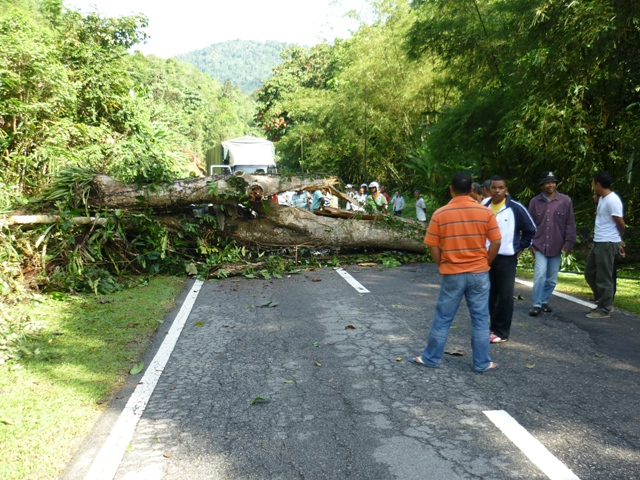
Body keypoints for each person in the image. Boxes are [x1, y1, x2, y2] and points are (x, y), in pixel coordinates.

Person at [410, 172, 501, 372]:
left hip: (453, 273)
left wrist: (442, 263)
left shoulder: (440, 214)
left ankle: (430, 358)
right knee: (479, 319)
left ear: (451, 189)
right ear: (471, 190)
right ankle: (482, 363)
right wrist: (486, 262)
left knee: (443, 318)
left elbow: (432, 245)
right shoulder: (485, 213)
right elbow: (496, 241)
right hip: (479, 273)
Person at [482, 176, 536, 343]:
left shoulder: (515, 208)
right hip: (486, 256)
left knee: (505, 295)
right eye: (494, 187)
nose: (497, 190)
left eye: (501, 187)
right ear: (489, 190)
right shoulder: (484, 206)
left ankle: (502, 332)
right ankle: (493, 326)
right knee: (490, 293)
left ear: (506, 190)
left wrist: (519, 248)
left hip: (506, 257)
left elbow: (531, 230)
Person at [528, 171, 576, 316]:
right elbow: (529, 224)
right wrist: (530, 244)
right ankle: (536, 305)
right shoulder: (534, 202)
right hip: (539, 244)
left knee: (552, 279)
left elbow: (570, 223)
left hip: (557, 244)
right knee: (540, 275)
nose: (551, 185)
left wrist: (569, 242)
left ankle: (543, 301)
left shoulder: (565, 201)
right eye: (548, 183)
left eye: (553, 182)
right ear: (542, 185)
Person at [584, 171, 625, 318]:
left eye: (593, 183)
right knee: (589, 273)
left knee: (604, 277)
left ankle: (604, 308)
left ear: (598, 184)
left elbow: (621, 224)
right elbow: (598, 202)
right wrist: (596, 197)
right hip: (599, 241)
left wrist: (618, 239)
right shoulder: (602, 198)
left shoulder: (613, 200)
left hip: (607, 242)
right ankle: (602, 300)